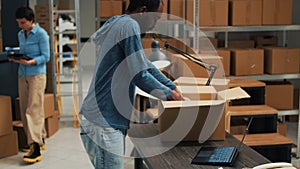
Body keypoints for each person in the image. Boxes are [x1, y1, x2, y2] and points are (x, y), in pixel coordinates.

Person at [79, 0, 183, 168]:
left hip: (100, 121)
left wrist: (170, 86)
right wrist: (168, 95)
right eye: (155, 17)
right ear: (142, 11)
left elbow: (144, 65)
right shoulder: (129, 26)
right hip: (103, 124)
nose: (155, 23)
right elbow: (139, 75)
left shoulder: (120, 22)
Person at [9, 6, 50, 163]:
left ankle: (35, 147)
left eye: (23, 23)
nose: (20, 26)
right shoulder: (21, 34)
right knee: (25, 107)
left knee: (33, 110)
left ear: (31, 21)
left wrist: (32, 61)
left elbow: (46, 56)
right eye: (18, 23)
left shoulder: (41, 35)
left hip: (36, 75)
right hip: (22, 74)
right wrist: (16, 58)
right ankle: (40, 138)